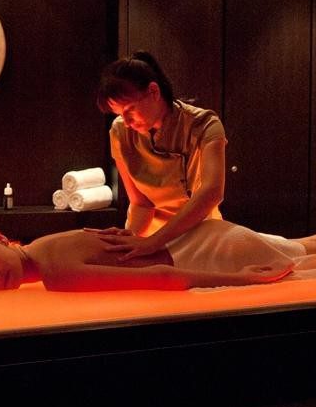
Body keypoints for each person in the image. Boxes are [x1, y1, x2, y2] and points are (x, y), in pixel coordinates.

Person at [0, 219, 316, 292]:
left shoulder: (55, 272)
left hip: (204, 251)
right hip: (197, 239)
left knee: (314, 254)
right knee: (309, 245)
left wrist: (247, 281)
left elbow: (163, 279)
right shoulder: (45, 245)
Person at [93, 51, 227, 262]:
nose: (126, 121)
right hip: (150, 236)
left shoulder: (204, 125)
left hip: (202, 234)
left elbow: (212, 192)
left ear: (154, 92)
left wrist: (154, 242)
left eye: (130, 109)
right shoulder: (120, 132)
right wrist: (131, 238)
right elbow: (141, 203)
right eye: (119, 114)